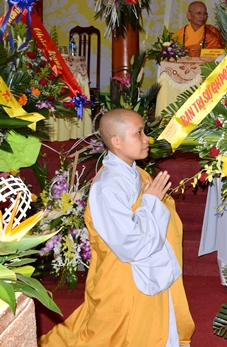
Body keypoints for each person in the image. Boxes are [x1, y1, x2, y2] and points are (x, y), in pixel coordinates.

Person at [39, 109, 195, 347]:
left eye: (144, 132)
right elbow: (129, 243)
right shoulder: (108, 186)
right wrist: (151, 202)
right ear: (116, 141)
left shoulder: (135, 172)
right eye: (139, 133)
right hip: (123, 277)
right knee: (112, 334)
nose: (147, 139)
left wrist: (153, 202)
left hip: (144, 270)